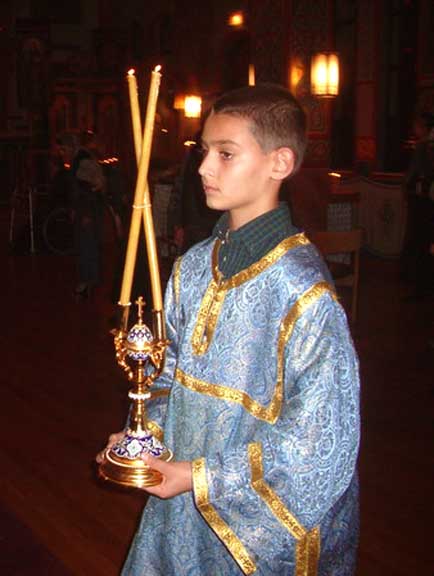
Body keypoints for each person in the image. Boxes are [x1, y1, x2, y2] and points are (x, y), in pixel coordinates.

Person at [97, 84, 361, 575]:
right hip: (181, 496)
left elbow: (321, 441)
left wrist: (203, 477)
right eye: (204, 151)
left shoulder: (303, 292)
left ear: (280, 163)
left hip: (255, 527)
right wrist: (144, 434)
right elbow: (167, 372)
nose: (203, 168)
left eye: (225, 153)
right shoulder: (194, 267)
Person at [57, 130, 106, 298]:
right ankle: (89, 281)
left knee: (87, 246)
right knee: (85, 245)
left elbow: (91, 188)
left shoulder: (82, 160)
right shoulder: (78, 160)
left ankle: (88, 282)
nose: (62, 153)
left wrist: (86, 213)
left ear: (70, 147)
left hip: (88, 211)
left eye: (63, 149)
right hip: (85, 210)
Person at [401, 111, 434, 297]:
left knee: (419, 239)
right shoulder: (425, 145)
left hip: (423, 200)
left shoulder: (423, 146)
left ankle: (418, 284)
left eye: (416, 126)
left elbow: (414, 172)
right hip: (426, 198)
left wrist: (407, 185)